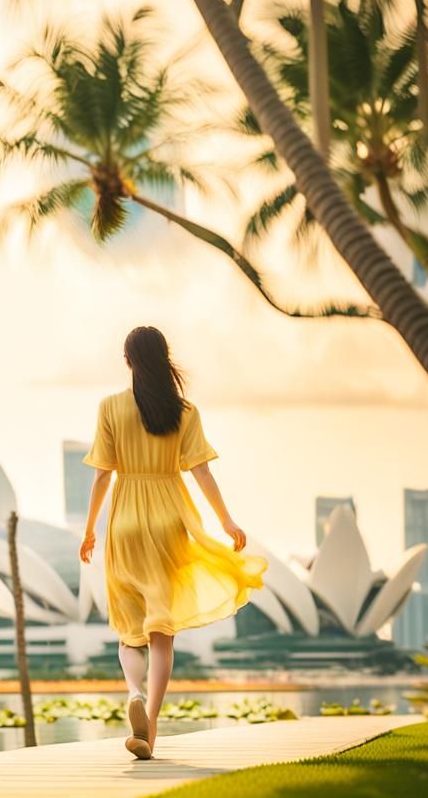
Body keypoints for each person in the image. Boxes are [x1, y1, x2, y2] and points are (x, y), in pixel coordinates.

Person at [79, 326, 266, 760]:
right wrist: (227, 521)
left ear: (128, 360)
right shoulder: (184, 411)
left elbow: (102, 474)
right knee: (161, 630)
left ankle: (133, 692)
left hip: (124, 518)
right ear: (164, 358)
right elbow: (202, 472)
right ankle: (153, 728)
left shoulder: (109, 407)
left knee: (129, 626)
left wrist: (90, 530)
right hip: (170, 517)